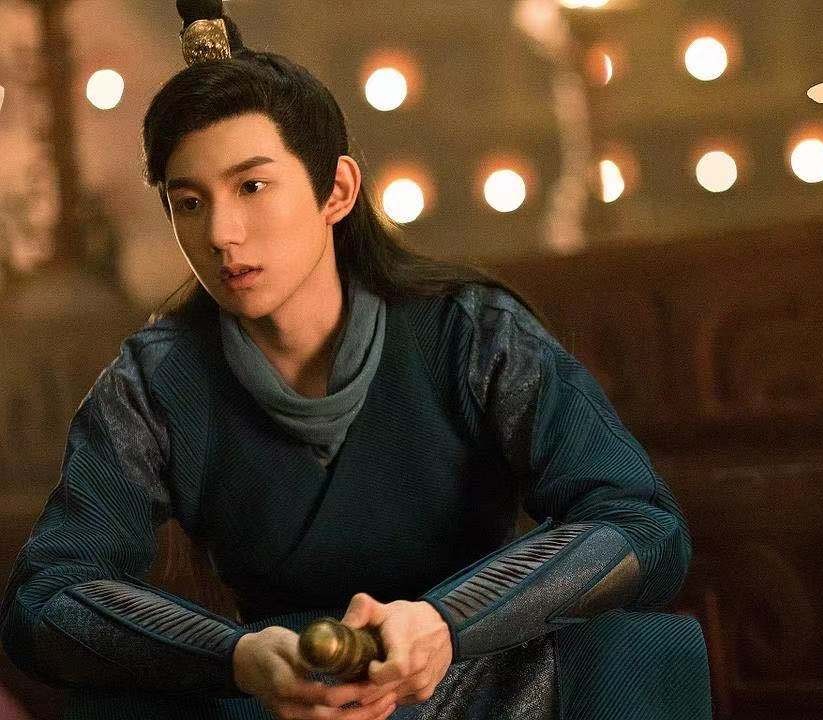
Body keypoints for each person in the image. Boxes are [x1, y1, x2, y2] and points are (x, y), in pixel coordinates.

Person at [0, 1, 710, 718]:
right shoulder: (157, 383)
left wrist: (446, 622)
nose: (221, 232)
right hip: (284, 689)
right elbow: (48, 596)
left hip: (474, 672)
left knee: (637, 648)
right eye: (188, 202)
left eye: (252, 186)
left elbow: (640, 523)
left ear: (336, 190)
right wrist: (236, 656)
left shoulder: (469, 332)